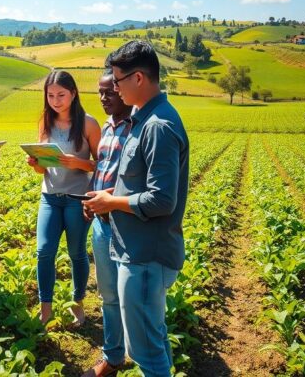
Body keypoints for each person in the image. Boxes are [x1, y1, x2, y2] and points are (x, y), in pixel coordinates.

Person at [84, 40, 189, 377]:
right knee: (153, 338)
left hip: (145, 255)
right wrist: (109, 194)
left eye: (118, 80)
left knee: (145, 352)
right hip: (136, 250)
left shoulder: (157, 126)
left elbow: (161, 200)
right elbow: (139, 183)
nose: (113, 88)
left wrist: (111, 201)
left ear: (139, 78)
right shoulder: (144, 119)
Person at [26, 70, 100, 327]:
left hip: (77, 197)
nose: (55, 100)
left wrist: (77, 162)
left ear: (73, 93)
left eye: (61, 94)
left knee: (76, 252)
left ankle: (77, 303)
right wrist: (35, 163)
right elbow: (43, 169)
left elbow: (101, 166)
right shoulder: (44, 122)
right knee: (44, 251)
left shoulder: (88, 123)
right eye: (50, 95)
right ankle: (45, 308)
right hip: (50, 196)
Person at [81, 68, 133, 377]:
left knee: (135, 294)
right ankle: (113, 357)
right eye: (100, 92)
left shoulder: (136, 127)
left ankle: (142, 350)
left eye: (110, 92)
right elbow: (102, 169)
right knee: (108, 294)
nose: (103, 98)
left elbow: (137, 182)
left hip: (125, 223)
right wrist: (92, 200)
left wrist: (107, 197)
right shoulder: (108, 126)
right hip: (101, 222)